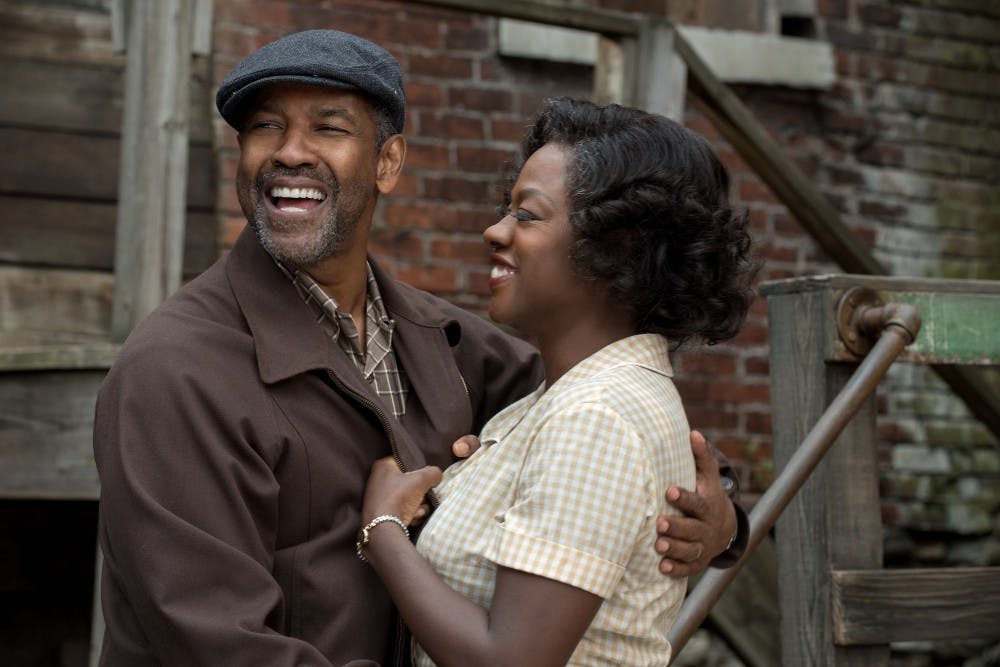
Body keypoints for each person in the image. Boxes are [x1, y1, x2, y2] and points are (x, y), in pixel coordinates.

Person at [93, 29, 744, 666]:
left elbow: (606, 428)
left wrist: (720, 521)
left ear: (388, 162)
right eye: (264, 127)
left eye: (328, 127)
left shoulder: (443, 341)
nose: (289, 152)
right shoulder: (175, 372)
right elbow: (218, 642)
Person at [357, 97, 757, 666]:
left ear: (615, 245)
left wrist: (384, 530)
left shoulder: (596, 417)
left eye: (527, 214)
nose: (494, 231)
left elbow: (512, 660)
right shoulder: (560, 399)